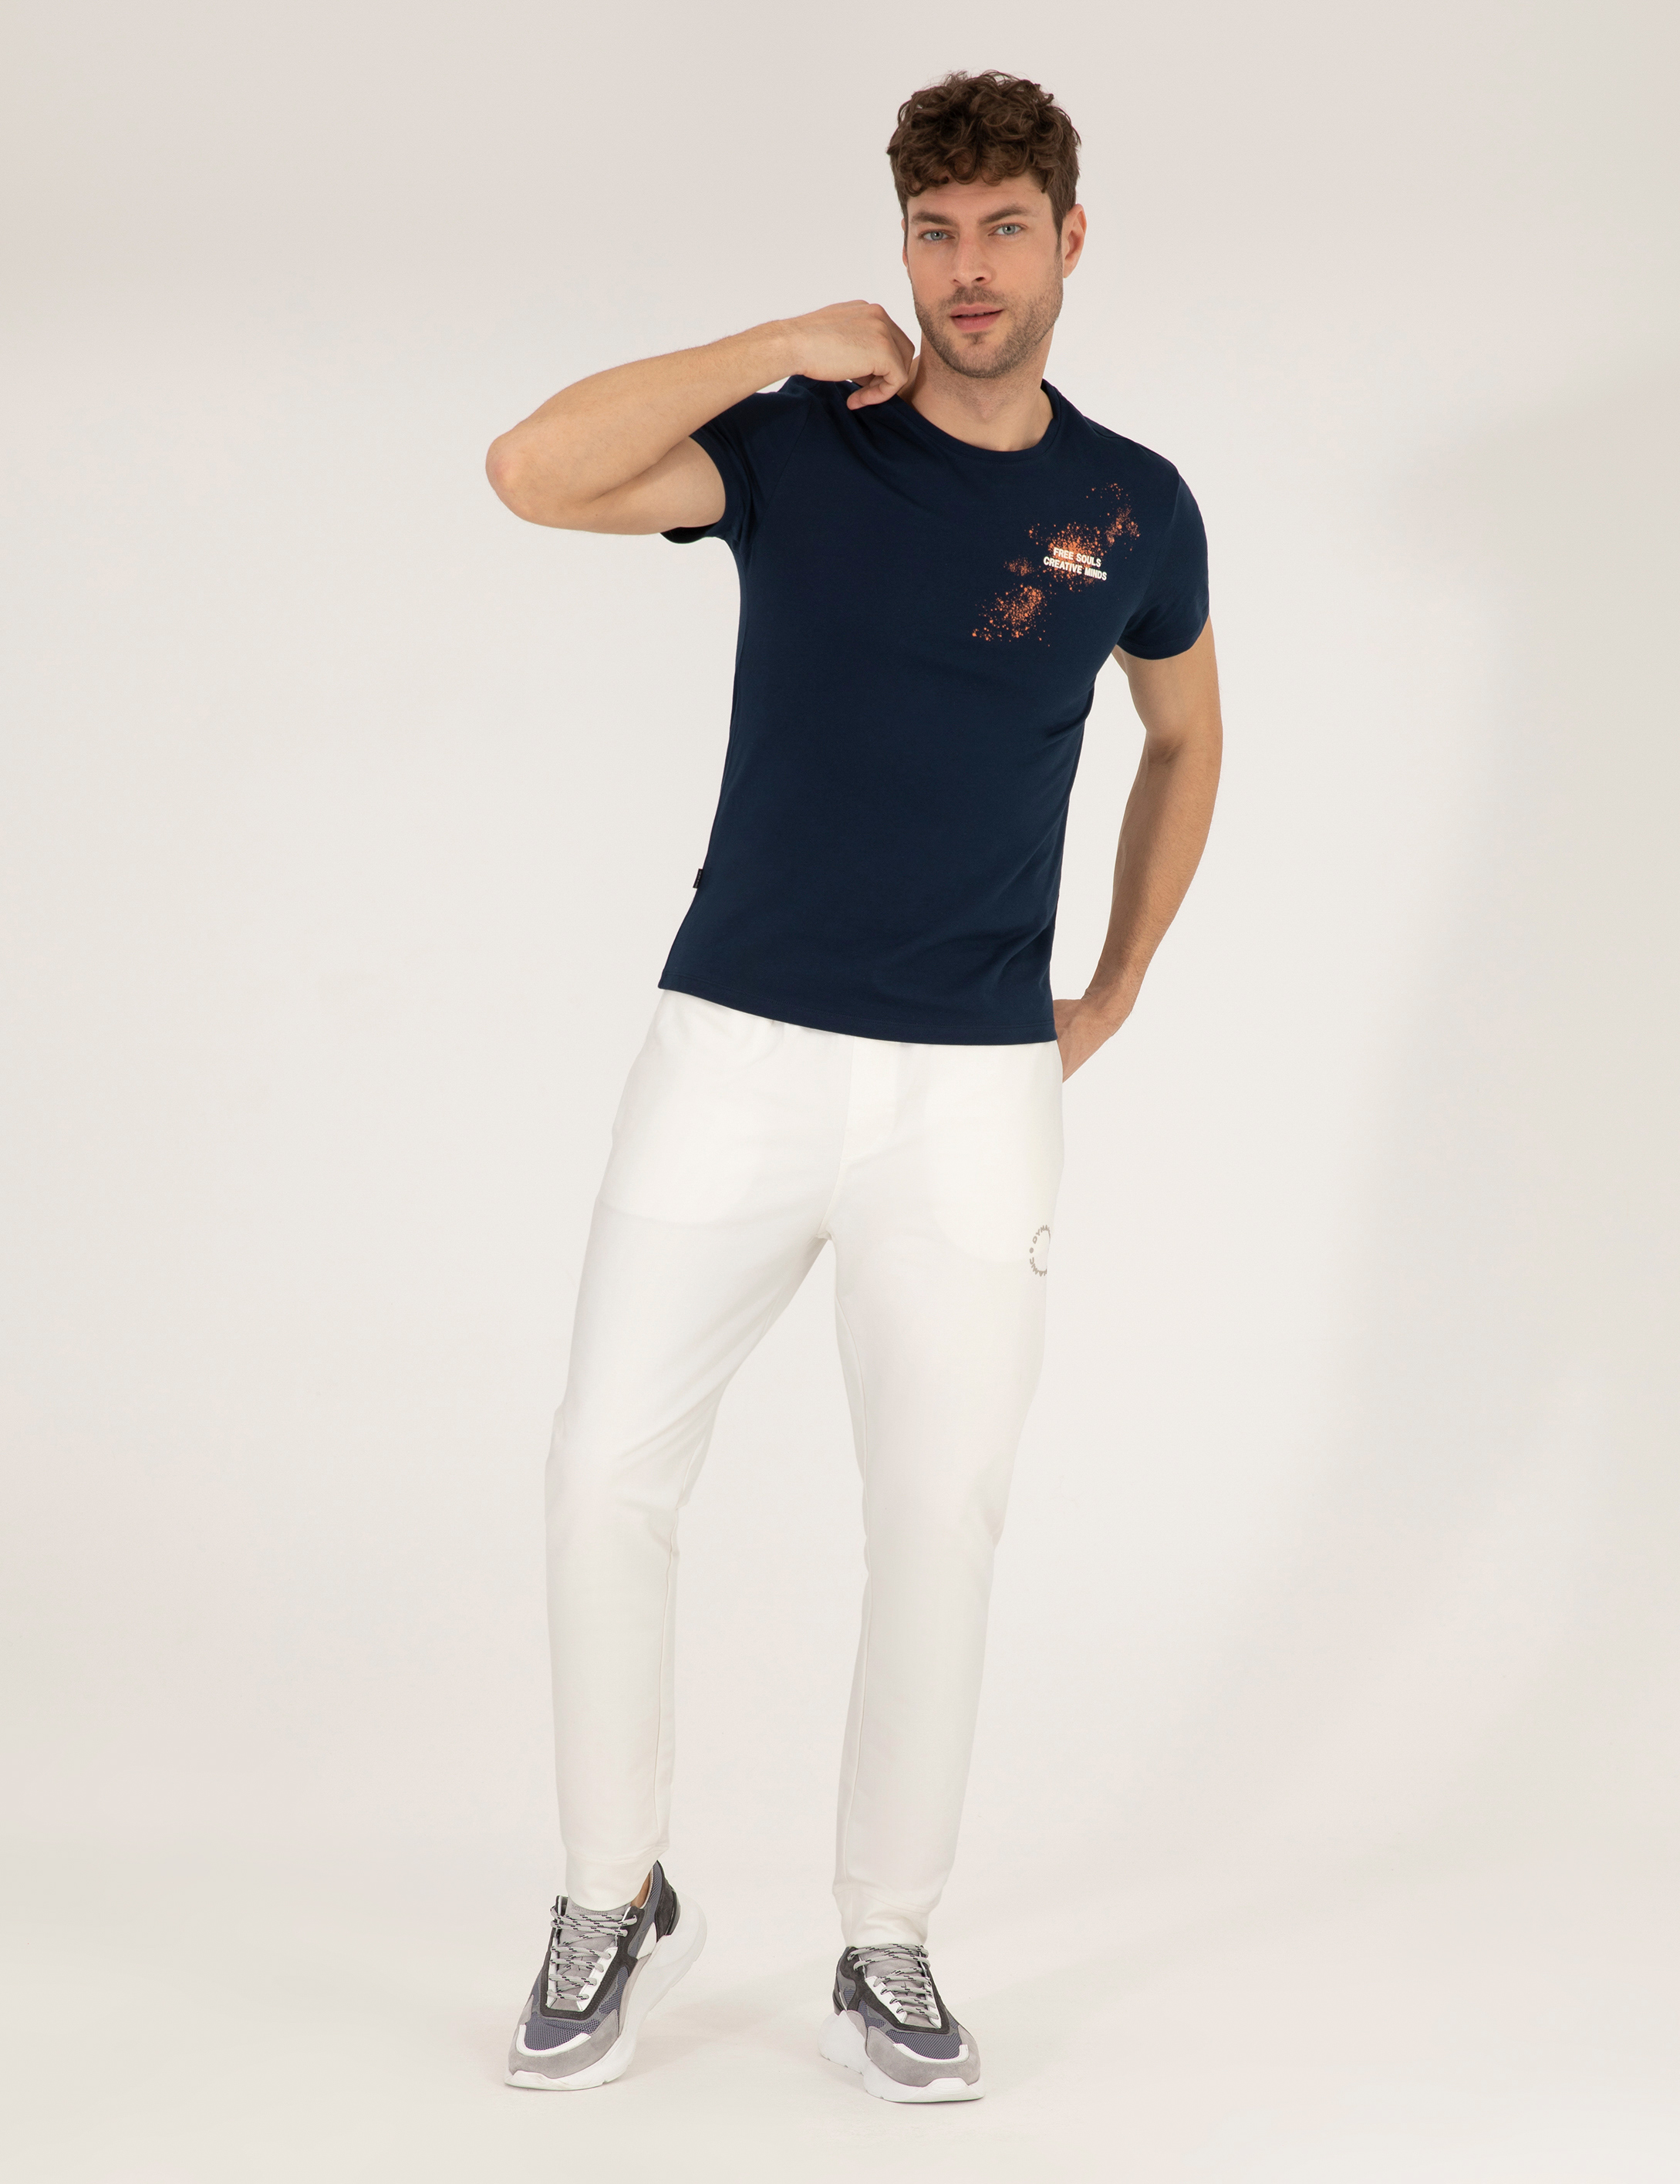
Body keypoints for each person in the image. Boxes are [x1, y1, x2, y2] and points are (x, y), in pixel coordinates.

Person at [484, 69, 1222, 2104]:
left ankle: (886, 1938)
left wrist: (1117, 983)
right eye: (932, 232)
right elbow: (530, 471)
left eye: (1002, 229)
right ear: (899, 244)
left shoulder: (1136, 508)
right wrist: (774, 345)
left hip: (971, 1092)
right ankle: (611, 1893)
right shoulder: (805, 447)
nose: (966, 271)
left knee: (939, 1516)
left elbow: (1182, 736)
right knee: (602, 1471)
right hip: (731, 1047)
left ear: (1069, 241)